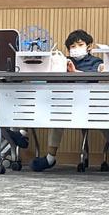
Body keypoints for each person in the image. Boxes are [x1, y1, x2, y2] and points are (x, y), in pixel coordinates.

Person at [30, 29, 108, 171]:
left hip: (92, 105)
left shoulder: (95, 61)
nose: (76, 48)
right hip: (67, 104)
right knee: (56, 117)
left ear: (89, 46)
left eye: (80, 45)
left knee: (104, 120)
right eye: (72, 46)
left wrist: (75, 72)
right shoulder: (63, 61)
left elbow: (101, 71)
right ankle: (50, 158)